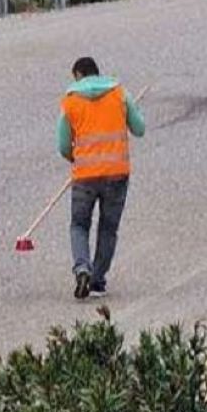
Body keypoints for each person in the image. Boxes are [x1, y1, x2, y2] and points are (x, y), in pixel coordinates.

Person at [57, 57, 145, 299]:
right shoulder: (119, 94)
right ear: (97, 73)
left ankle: (82, 268)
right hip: (117, 174)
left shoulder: (70, 101)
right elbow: (140, 129)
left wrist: (74, 157)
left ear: (78, 75)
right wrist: (131, 112)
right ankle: (97, 281)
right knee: (108, 228)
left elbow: (63, 145)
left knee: (79, 225)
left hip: (85, 176)